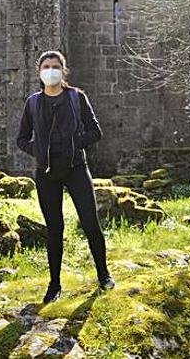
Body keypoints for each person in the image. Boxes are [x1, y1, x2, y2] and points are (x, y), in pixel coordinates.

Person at [16, 50, 112, 304]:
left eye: (55, 66)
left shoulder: (76, 97)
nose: (51, 70)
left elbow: (95, 131)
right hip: (46, 173)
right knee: (54, 228)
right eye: (46, 66)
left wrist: (73, 144)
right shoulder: (33, 103)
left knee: (90, 222)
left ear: (63, 70)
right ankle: (54, 285)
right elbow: (21, 138)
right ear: (39, 72)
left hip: (76, 168)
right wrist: (37, 150)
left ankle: (104, 275)